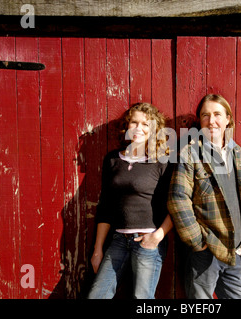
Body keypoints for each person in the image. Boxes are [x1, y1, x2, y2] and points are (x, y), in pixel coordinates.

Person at [167, 94, 241, 299]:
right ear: (199, 121)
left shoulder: (237, 152)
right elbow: (177, 199)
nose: (211, 120)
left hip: (235, 250)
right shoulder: (190, 154)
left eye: (217, 114)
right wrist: (197, 240)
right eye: (205, 115)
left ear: (228, 119)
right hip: (206, 252)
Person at [88, 102, 173, 299]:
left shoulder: (162, 161)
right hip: (118, 241)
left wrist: (158, 236)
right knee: (96, 296)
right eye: (134, 122)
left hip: (148, 241)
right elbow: (106, 206)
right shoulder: (112, 160)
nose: (138, 128)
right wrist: (98, 249)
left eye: (145, 124)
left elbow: (176, 206)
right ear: (126, 126)